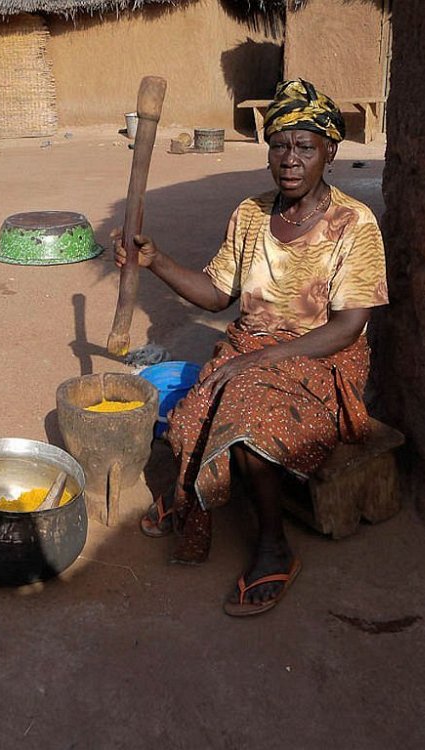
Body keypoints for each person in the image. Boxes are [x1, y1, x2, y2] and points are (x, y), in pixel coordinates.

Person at [113, 79, 389, 617]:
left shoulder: (354, 224)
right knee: (194, 412)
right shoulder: (251, 214)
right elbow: (217, 294)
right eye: (279, 145)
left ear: (330, 153)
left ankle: (273, 544)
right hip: (250, 350)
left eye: (304, 146)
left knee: (245, 417)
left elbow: (350, 325)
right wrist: (155, 261)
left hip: (322, 359)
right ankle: (191, 490)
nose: (290, 159)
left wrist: (260, 358)